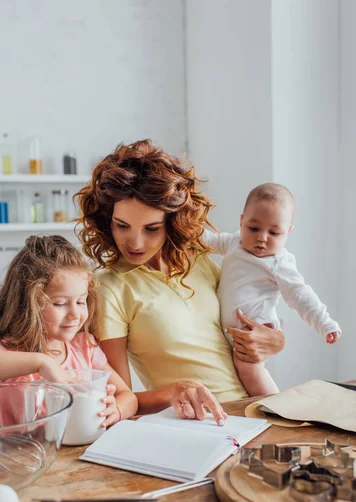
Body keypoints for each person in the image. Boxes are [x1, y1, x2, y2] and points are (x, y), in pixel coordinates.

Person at [75, 140, 286, 424]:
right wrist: (176, 391)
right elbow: (119, 400)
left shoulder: (198, 260)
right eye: (122, 226)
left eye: (151, 229)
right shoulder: (110, 287)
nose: (135, 243)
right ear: (106, 220)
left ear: (172, 221)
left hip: (253, 409)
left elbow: (243, 321)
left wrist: (275, 339)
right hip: (196, 423)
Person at [0, 235, 138, 428]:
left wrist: (115, 410)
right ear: (28, 305)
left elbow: (128, 397)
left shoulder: (84, 347)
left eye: (80, 301)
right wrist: (41, 363)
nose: (75, 314)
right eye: (60, 303)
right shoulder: (11, 353)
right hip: (14, 454)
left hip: (69, 455)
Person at [203, 183, 341, 397]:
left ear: (288, 232)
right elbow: (207, 240)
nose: (262, 238)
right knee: (236, 373)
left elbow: (301, 295)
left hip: (256, 325)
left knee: (249, 369)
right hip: (232, 329)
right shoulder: (234, 243)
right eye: (253, 228)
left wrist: (325, 324)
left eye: (274, 232)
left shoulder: (279, 262)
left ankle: (274, 406)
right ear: (241, 221)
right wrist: (184, 230)